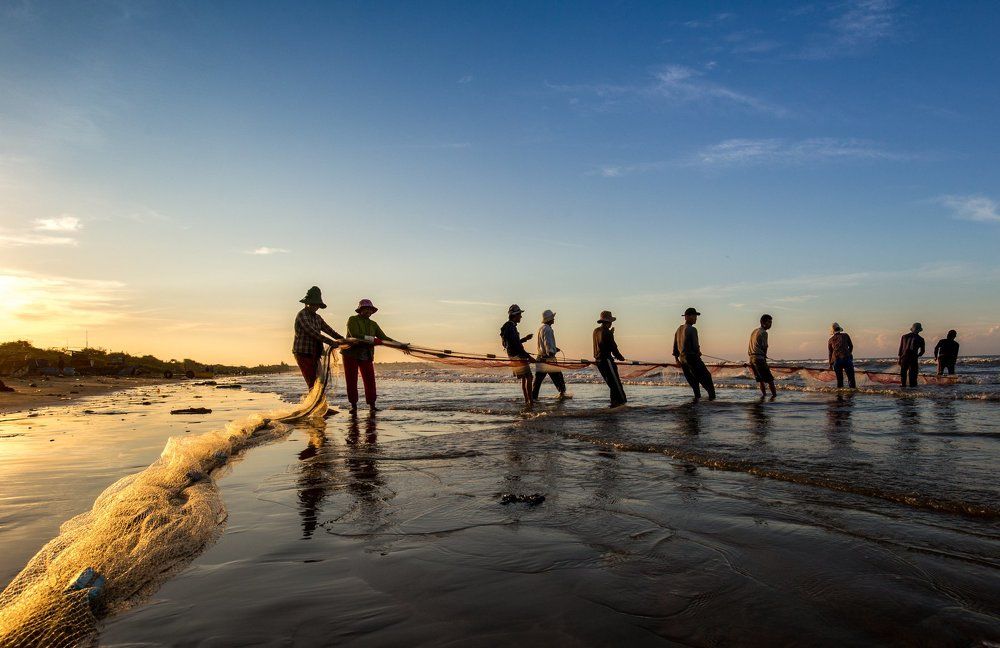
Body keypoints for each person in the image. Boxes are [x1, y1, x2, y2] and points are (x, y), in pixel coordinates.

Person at [343, 299, 395, 413]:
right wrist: (373, 339)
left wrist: (399, 344)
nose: (368, 311)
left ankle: (372, 405)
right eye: (366, 309)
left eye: (370, 310)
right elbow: (355, 334)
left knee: (370, 380)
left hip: (366, 354)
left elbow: (384, 337)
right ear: (360, 310)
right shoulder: (352, 319)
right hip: (351, 353)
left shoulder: (373, 324)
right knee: (351, 380)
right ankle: (353, 406)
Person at [292, 286, 344, 389]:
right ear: (307, 303)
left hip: (315, 353)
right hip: (303, 353)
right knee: (312, 381)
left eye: (317, 305)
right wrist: (330, 342)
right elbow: (312, 333)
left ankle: (319, 399)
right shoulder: (302, 315)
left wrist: (342, 339)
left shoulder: (318, 318)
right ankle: (314, 399)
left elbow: (329, 330)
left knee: (320, 381)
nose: (315, 307)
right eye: (313, 304)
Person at [673, 307, 716, 400]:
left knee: (695, 387)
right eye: (694, 316)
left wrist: (677, 360)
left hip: (683, 362)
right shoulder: (692, 329)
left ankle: (696, 405)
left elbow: (675, 348)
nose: (696, 318)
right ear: (687, 317)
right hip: (693, 361)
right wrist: (698, 352)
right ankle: (712, 404)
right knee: (708, 380)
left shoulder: (678, 329)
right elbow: (696, 347)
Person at [501, 305, 534, 405]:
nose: (521, 317)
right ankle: (530, 402)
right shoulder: (511, 327)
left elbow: (512, 343)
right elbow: (517, 346)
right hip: (518, 356)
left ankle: (527, 401)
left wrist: (525, 339)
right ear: (515, 315)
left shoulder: (507, 327)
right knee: (529, 377)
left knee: (524, 378)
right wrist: (529, 357)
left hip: (512, 357)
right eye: (520, 314)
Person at [593, 310, 627, 407]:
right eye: (611, 321)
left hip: (598, 362)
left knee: (612, 385)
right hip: (607, 361)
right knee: (617, 386)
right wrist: (620, 357)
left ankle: (614, 404)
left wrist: (611, 334)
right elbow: (613, 348)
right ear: (608, 322)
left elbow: (602, 343)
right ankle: (621, 404)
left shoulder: (596, 331)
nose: (612, 323)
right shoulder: (607, 332)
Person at [532, 309, 568, 400]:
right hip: (549, 360)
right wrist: (552, 351)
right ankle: (563, 396)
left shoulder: (541, 328)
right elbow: (547, 344)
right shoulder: (548, 329)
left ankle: (533, 398)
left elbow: (543, 344)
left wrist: (554, 348)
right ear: (549, 319)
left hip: (540, 358)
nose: (554, 319)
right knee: (559, 379)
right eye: (552, 317)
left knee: (537, 382)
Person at [748, 314, 776, 398]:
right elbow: (765, 346)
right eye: (768, 322)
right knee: (770, 380)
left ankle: (764, 396)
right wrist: (764, 356)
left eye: (771, 322)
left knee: (761, 380)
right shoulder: (764, 332)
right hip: (759, 358)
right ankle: (774, 397)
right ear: (762, 322)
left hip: (751, 358)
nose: (770, 324)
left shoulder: (754, 331)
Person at [827, 323, 856, 389]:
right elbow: (851, 346)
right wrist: (849, 354)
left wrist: (830, 365)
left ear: (833, 331)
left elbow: (830, 353)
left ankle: (839, 394)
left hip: (836, 361)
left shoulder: (830, 340)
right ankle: (852, 394)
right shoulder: (845, 335)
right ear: (839, 329)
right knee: (851, 379)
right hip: (846, 359)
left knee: (839, 381)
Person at [898, 322, 926, 387]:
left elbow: (900, 349)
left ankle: (903, 388)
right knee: (913, 376)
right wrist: (918, 355)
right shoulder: (921, 339)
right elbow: (922, 351)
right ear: (919, 330)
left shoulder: (904, 336)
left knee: (903, 374)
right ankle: (912, 389)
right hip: (913, 358)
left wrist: (899, 359)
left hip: (904, 358)